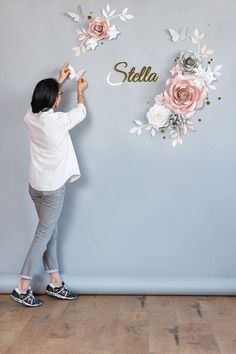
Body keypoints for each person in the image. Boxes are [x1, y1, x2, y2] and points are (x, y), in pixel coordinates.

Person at [10, 63, 88, 307]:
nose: (60, 99)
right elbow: (81, 112)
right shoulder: (59, 121)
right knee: (44, 234)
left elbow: (43, 103)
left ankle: (55, 282)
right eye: (58, 97)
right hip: (53, 188)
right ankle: (22, 287)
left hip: (35, 186)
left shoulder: (29, 118)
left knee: (50, 233)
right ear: (54, 100)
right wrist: (80, 90)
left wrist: (58, 81)